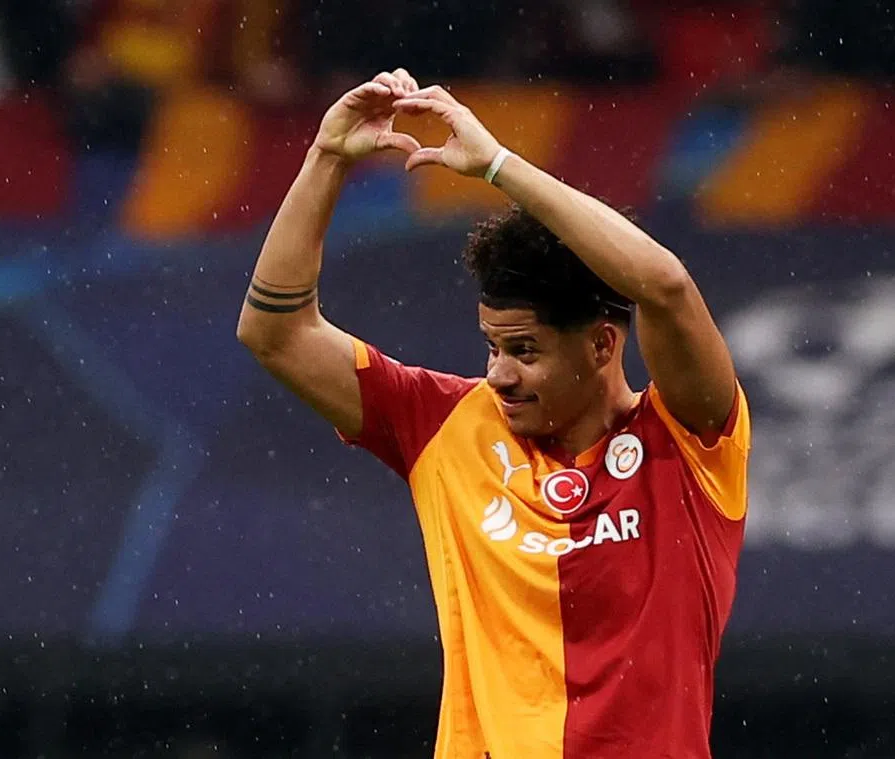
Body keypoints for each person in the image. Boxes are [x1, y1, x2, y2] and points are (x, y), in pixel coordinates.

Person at [236, 68, 751, 758]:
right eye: (492, 346)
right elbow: (275, 331)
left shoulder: (689, 441)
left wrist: (499, 166)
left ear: (601, 343)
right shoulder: (444, 424)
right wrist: (327, 158)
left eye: (525, 350)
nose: (499, 374)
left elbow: (663, 286)